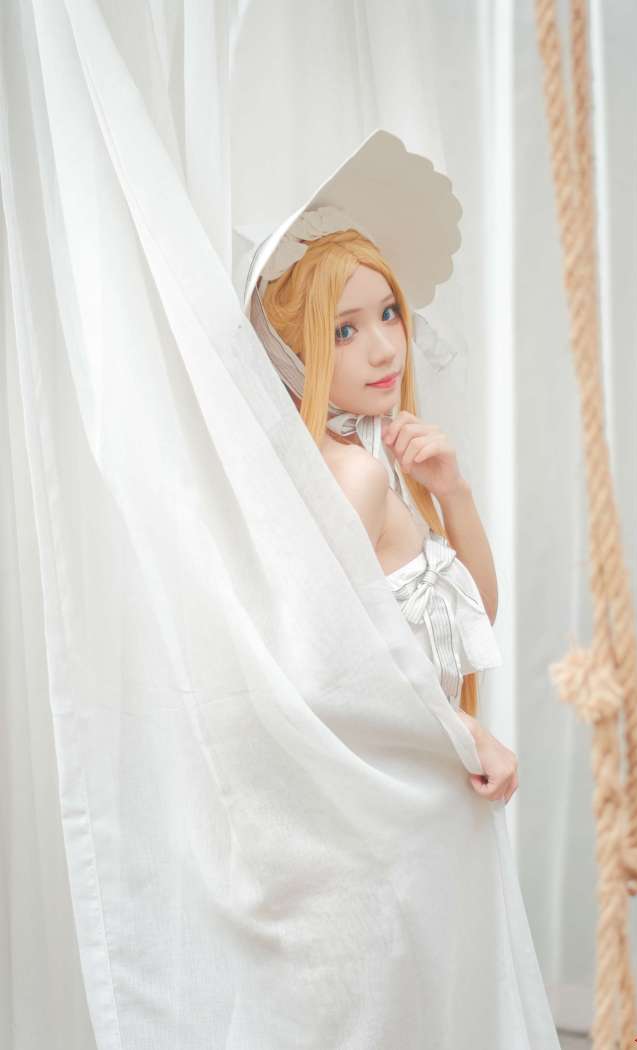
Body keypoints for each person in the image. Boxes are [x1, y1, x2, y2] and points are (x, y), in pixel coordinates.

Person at [240, 129, 519, 806]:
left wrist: (452, 493)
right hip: (408, 795)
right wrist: (460, 729)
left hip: (425, 788)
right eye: (344, 329)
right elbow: (325, 672)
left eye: (389, 313)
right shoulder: (354, 477)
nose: (385, 348)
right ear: (292, 351)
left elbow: (474, 618)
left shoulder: (367, 461)